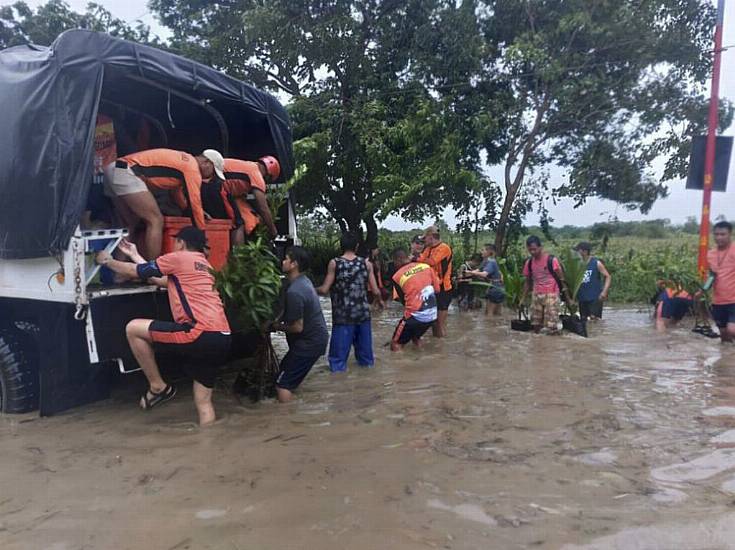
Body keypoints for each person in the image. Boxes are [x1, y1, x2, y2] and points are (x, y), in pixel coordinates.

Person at [95, 227, 231, 426]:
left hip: (198, 332)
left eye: (175, 241)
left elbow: (136, 272)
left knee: (133, 328)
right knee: (203, 402)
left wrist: (107, 261)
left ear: (181, 243)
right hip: (222, 336)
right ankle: (208, 441)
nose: (173, 245)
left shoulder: (179, 258)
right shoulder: (204, 266)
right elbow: (160, 279)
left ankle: (158, 386)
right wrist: (134, 254)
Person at [104, 148, 225, 259]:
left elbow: (176, 193)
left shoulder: (184, 162)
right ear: (207, 163)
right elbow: (195, 202)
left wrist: (191, 210)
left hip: (115, 168)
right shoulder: (192, 169)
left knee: (129, 224)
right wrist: (202, 238)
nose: (210, 178)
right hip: (127, 172)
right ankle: (152, 272)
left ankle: (119, 275)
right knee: (155, 220)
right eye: (213, 173)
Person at [317, 232, 382, 373]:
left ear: (341, 246)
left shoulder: (335, 263)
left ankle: (339, 388)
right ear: (357, 246)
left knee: (338, 362)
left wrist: (310, 288)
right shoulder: (366, 264)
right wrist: (379, 302)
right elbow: (376, 291)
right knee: (366, 361)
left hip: (343, 317)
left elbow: (324, 289)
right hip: (363, 315)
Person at [271, 246, 329, 402]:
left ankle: (286, 422)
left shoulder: (295, 291)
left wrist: (275, 326)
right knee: (284, 373)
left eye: (286, 259)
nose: (282, 261)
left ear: (294, 264)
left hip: (309, 343)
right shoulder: (303, 281)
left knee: (282, 385)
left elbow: (297, 327)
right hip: (313, 340)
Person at [218, 156, 280, 243]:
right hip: (217, 186)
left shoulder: (249, 166)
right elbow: (263, 208)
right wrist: (273, 230)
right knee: (238, 223)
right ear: (268, 176)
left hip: (214, 182)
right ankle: (238, 254)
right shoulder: (257, 175)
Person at [390, 249, 440, 351]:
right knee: (415, 337)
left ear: (398, 260)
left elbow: (403, 301)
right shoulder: (426, 267)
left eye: (394, 262)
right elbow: (437, 290)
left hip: (415, 316)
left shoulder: (397, 276)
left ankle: (402, 365)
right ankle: (419, 357)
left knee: (395, 344)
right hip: (432, 315)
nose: (395, 265)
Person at [521, 236, 567, 334]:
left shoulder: (551, 260)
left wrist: (567, 296)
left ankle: (551, 346)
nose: (532, 252)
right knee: (535, 324)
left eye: (534, 249)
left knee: (551, 326)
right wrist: (523, 298)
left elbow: (562, 279)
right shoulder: (529, 262)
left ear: (540, 247)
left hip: (552, 294)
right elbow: (527, 281)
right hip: (536, 294)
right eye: (530, 250)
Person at [418, 226, 453, 337]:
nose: (424, 241)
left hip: (444, 288)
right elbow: (420, 261)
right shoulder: (428, 249)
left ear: (431, 237)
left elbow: (432, 261)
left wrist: (417, 258)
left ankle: (441, 349)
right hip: (432, 287)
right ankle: (437, 348)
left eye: (425, 238)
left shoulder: (444, 248)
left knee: (439, 324)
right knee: (433, 322)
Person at [706, 221, 735, 342]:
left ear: (730, 234)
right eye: (716, 234)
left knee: (732, 330)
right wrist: (702, 289)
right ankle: (726, 360)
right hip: (718, 301)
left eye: (723, 234)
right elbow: (711, 276)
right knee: (724, 335)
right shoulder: (710, 254)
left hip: (734, 300)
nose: (719, 237)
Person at [574, 242, 612, 321]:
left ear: (585, 252)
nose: (577, 253)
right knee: (584, 319)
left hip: (595, 297)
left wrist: (604, 292)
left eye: (579, 251)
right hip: (582, 297)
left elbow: (608, 276)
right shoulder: (577, 264)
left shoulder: (596, 263)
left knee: (594, 319)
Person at [469, 244, 505, 316]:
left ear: (489, 252)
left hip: (495, 288)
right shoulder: (486, 261)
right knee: (498, 314)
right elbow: (477, 270)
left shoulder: (491, 262)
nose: (481, 252)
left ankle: (490, 327)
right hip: (499, 288)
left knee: (489, 314)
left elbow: (484, 274)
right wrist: (470, 272)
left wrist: (471, 272)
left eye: (483, 250)